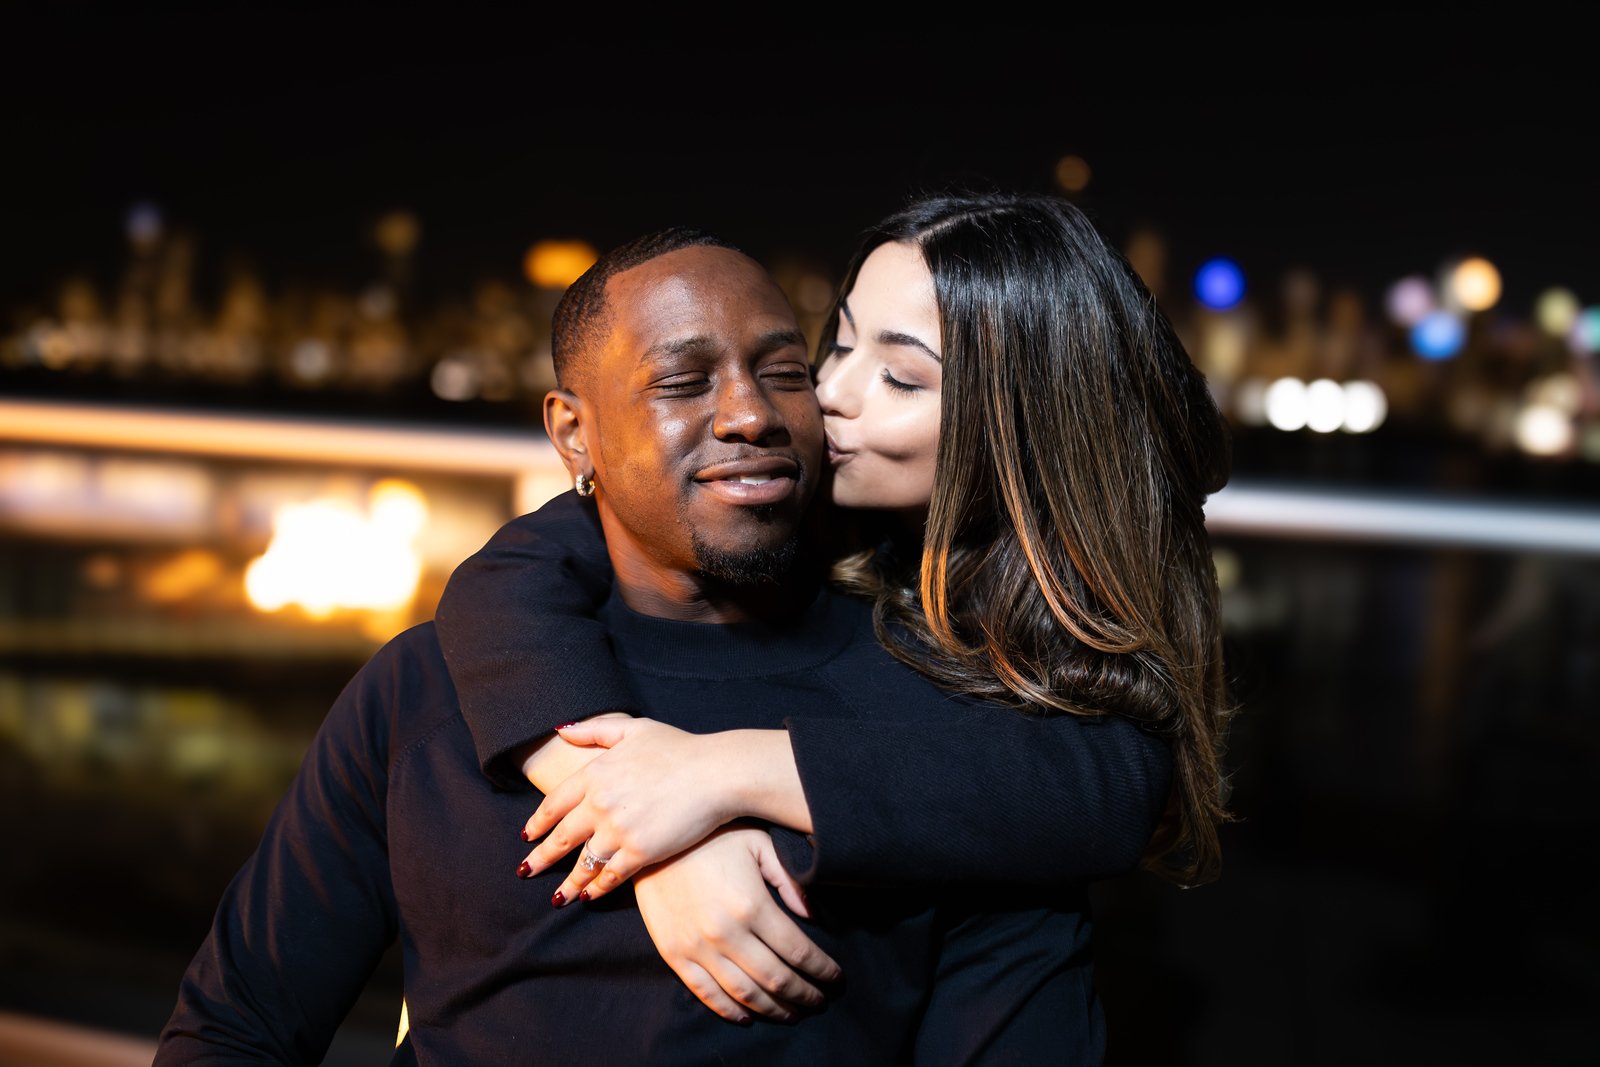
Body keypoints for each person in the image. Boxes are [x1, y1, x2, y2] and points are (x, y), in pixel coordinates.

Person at [155, 226, 1155, 1064]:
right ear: (573, 435)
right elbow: (237, 1027)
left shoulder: (960, 728)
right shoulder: (442, 682)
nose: (753, 412)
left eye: (785, 371)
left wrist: (715, 780)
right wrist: (640, 820)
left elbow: (1105, 789)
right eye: (683, 380)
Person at [430, 190, 1235, 1023]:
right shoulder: (799, 505)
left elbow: (1102, 790)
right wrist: (617, 802)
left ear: (1027, 422)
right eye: (840, 344)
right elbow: (511, 574)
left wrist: (719, 772)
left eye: (900, 377)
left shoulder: (1057, 627)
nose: (830, 393)